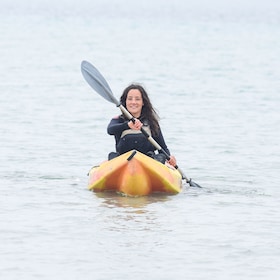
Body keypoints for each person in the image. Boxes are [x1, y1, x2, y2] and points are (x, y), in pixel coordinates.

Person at [107, 84, 177, 166]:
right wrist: (127, 125)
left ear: (143, 102)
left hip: (148, 162)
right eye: (130, 99)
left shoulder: (151, 122)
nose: (133, 102)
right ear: (125, 102)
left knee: (161, 156)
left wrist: (169, 158)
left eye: (137, 99)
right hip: (124, 162)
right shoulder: (119, 120)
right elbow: (110, 130)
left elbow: (162, 147)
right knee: (112, 156)